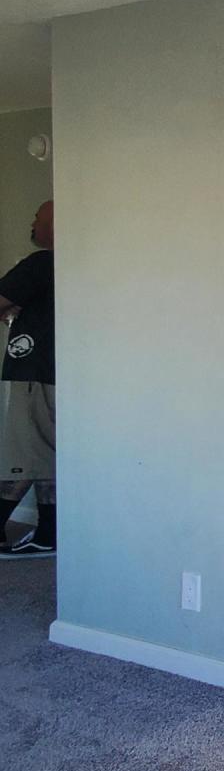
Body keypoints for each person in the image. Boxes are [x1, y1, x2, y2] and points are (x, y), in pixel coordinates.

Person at [0, 200, 56, 556]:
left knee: (21, 452)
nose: (32, 223)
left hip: (32, 371)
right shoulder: (69, 266)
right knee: (46, 452)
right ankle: (50, 534)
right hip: (57, 371)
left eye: (37, 217)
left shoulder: (40, 263)